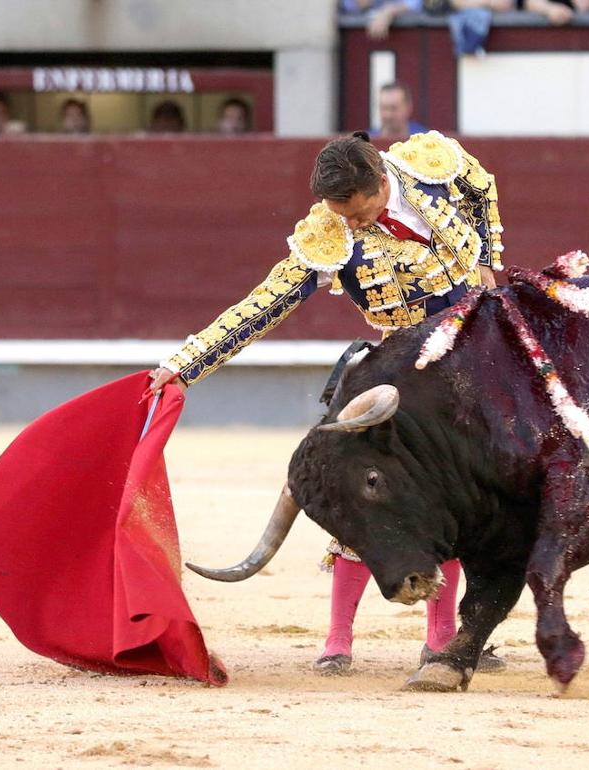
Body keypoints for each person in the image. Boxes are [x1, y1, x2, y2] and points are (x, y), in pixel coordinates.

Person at [146, 130, 507, 675]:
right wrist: (185, 365)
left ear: (382, 182)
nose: (352, 225)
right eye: (343, 215)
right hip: (401, 376)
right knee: (365, 492)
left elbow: (480, 188)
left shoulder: (428, 164)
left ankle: (446, 636)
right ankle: (338, 639)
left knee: (468, 498)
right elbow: (260, 306)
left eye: (359, 213)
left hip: (477, 362)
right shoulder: (327, 234)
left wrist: (488, 260)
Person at [343, 0, 422, 40]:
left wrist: (389, 11)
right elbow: (351, 6)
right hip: (360, 40)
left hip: (405, 37)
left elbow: (414, 4)